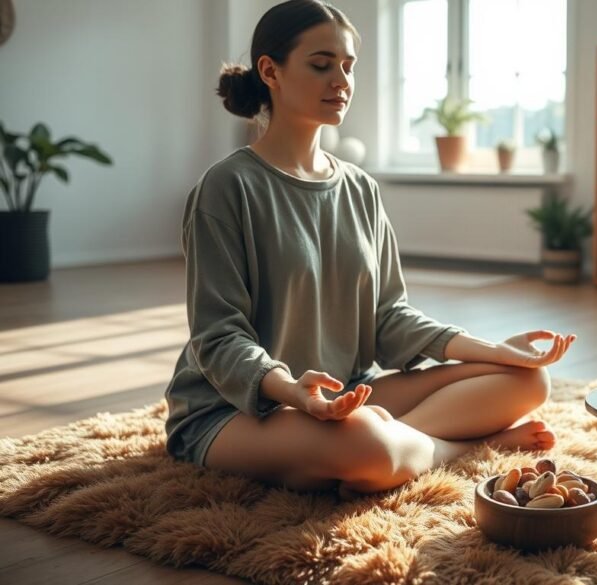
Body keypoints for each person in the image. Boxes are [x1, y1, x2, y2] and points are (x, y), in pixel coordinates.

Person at [164, 0, 576, 495]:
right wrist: (292, 390)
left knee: (527, 380)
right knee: (366, 442)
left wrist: (494, 350)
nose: (341, 81)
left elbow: (388, 316)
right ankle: (450, 448)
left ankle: (398, 448)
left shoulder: (360, 188)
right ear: (270, 71)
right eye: (322, 65)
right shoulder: (226, 187)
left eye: (348, 66)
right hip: (238, 408)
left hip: (349, 391)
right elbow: (218, 337)